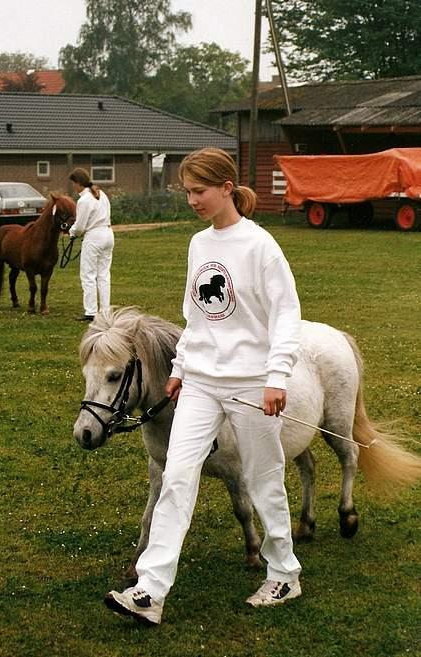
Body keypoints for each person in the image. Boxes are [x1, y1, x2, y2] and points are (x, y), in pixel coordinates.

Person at [105, 147, 302, 625]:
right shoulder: (199, 244)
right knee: (176, 475)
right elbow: (196, 316)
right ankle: (149, 591)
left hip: (252, 385)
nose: (191, 199)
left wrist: (276, 377)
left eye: (199, 191)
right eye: (187, 191)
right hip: (199, 385)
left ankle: (284, 574)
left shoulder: (260, 246)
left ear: (226, 189)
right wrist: (180, 368)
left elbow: (286, 314)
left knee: (263, 480)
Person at [68, 168, 114, 321]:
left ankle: (91, 311)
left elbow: (80, 226)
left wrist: (72, 232)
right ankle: (105, 310)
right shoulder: (102, 195)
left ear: (78, 183)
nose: (73, 187)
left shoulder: (84, 200)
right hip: (108, 234)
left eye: (74, 183)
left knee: (88, 275)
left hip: (94, 236)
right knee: (104, 275)